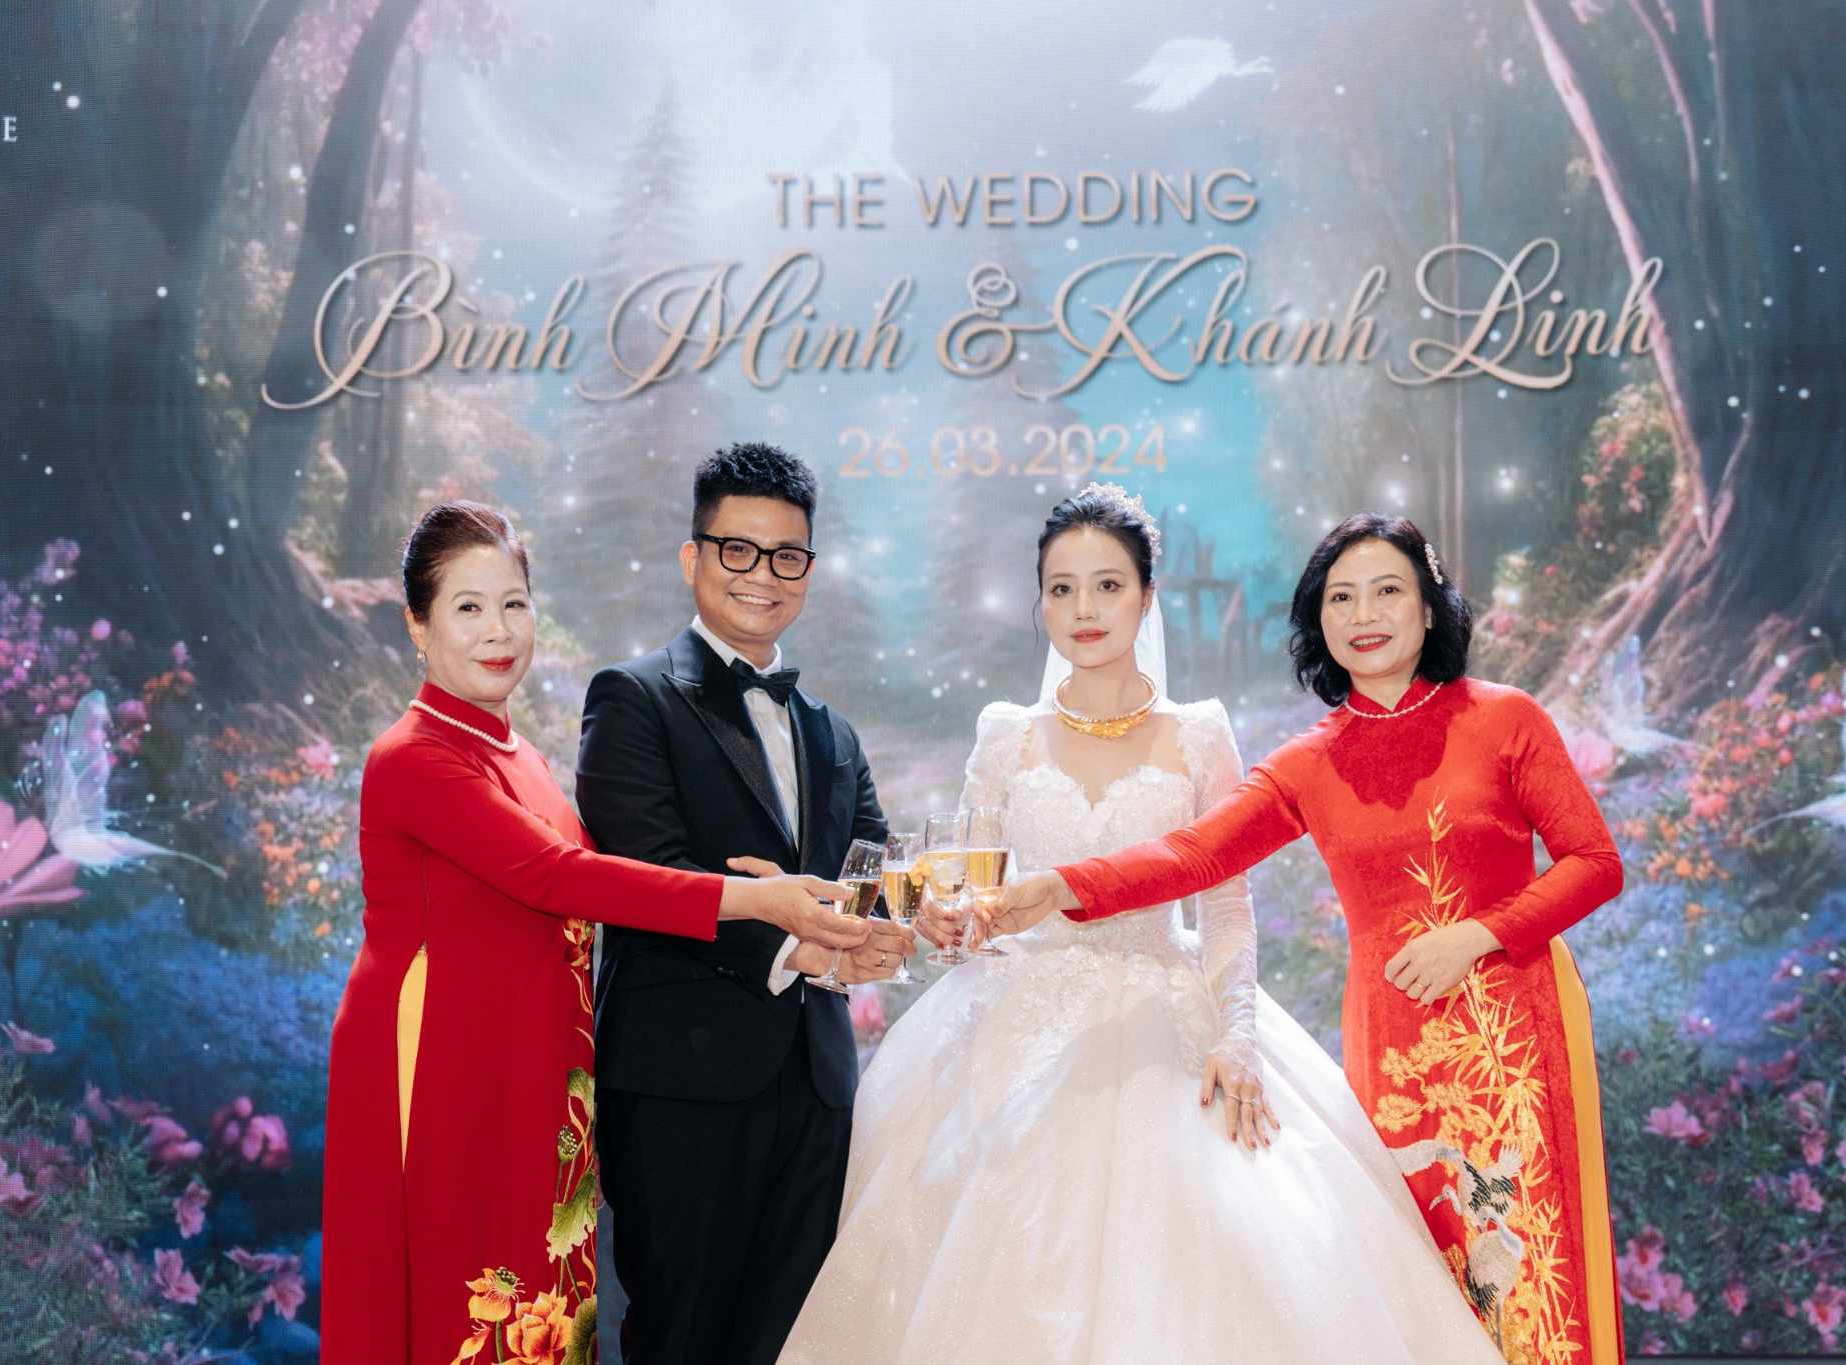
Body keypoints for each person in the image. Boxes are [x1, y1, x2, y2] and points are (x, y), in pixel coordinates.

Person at [778, 485, 1504, 1364]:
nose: (1084, 609)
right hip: (1011, 1026)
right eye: (1061, 589)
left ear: (1147, 595)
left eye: (1108, 585)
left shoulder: (1198, 734)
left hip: (1166, 1015)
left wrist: (1237, 1031)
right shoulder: (1005, 734)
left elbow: (1226, 902)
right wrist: (950, 922)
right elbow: (972, 893)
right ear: (1041, 601)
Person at [986, 511, 1626, 1365]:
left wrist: (1478, 933)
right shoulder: (1309, 761)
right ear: (1317, 620)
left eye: (1387, 591)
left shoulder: (1505, 718)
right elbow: (1194, 853)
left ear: (1428, 606)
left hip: (1509, 1031)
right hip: (1392, 1042)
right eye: (1340, 597)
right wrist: (1063, 885)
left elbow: (1595, 862)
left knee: (1534, 1279)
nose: (1364, 614)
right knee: (1419, 1288)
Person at [320, 500, 864, 1365]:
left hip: (536, 1067)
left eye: (514, 603)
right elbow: (563, 876)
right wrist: (760, 900)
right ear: (417, 625)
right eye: (468, 607)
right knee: (461, 1296)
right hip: (449, 1066)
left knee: (542, 1302)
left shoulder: (521, 757)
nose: (499, 630)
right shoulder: (412, 755)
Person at [578, 443, 912, 1365]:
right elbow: (646, 876)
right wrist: (789, 932)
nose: (763, 574)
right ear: (693, 557)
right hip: (682, 1088)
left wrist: (875, 937)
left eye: (787, 555)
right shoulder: (632, 698)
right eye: (738, 550)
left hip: (819, 1086)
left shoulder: (833, 731)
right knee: (683, 1339)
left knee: (796, 1344)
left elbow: (874, 871)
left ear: (809, 569)